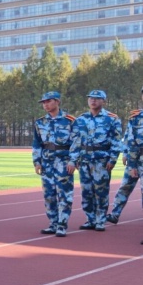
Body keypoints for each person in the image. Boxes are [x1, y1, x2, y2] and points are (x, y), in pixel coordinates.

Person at [67, 89, 122, 232]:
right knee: (87, 192)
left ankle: (100, 220)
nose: (93, 100)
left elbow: (116, 141)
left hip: (101, 160)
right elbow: (75, 141)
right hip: (84, 160)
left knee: (101, 191)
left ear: (103, 101)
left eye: (97, 98)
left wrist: (113, 159)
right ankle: (90, 219)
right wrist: (73, 159)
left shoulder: (112, 119)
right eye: (91, 98)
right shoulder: (81, 119)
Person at [31, 91, 75, 237]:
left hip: (64, 162)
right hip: (47, 163)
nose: (45, 104)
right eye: (43, 102)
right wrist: (36, 161)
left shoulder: (70, 121)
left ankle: (62, 225)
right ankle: (53, 223)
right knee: (49, 194)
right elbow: (37, 143)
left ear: (57, 101)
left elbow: (77, 143)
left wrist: (73, 161)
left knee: (64, 194)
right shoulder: (40, 122)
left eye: (48, 101)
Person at [106, 87, 143, 228]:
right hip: (135, 158)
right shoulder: (136, 118)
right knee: (125, 187)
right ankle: (115, 214)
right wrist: (127, 155)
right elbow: (129, 139)